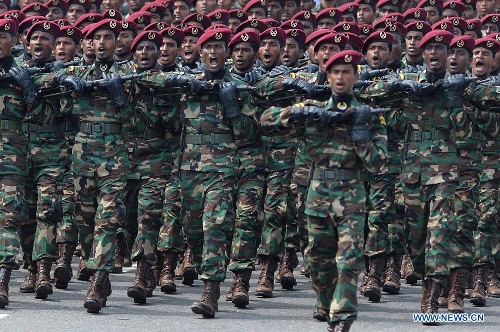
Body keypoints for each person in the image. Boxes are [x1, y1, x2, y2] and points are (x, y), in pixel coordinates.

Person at [260, 49, 387, 332]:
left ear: (356, 76)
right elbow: (266, 121)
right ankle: (327, 303)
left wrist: (360, 133)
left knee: (350, 258)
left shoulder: (368, 115)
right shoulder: (313, 108)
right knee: (317, 261)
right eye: (335, 72)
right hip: (318, 196)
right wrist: (300, 113)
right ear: (327, 76)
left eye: (346, 72)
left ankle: (342, 318)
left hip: (350, 195)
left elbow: (377, 163)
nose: (341, 77)